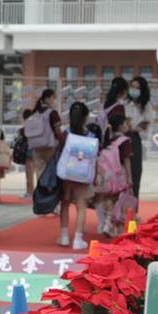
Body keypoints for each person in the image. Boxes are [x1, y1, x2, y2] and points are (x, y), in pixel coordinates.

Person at [93, 106, 134, 236]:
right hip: (119, 174)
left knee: (107, 198)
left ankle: (105, 223)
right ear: (121, 126)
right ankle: (111, 224)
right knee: (118, 200)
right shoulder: (125, 141)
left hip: (107, 175)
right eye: (126, 123)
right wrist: (130, 177)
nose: (128, 125)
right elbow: (127, 161)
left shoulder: (109, 140)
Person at [58, 102, 93, 250]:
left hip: (66, 174)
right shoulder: (91, 135)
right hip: (83, 174)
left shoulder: (66, 134)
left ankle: (64, 236)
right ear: (86, 117)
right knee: (81, 206)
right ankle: (78, 239)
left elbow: (59, 152)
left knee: (65, 203)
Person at [126, 75, 156, 200]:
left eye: (137, 88)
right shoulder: (124, 103)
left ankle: (133, 207)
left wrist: (136, 128)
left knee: (135, 173)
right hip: (121, 138)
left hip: (135, 139)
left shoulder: (146, 106)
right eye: (132, 87)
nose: (134, 90)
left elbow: (147, 124)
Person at [24, 88, 61, 184]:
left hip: (36, 148)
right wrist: (61, 141)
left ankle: (40, 195)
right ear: (47, 98)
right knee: (52, 172)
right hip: (50, 147)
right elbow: (58, 131)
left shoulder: (34, 113)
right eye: (54, 98)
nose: (55, 100)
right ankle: (50, 195)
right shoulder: (52, 113)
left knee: (39, 173)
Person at [16, 108, 34, 198]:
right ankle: (30, 191)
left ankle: (30, 192)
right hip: (35, 151)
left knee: (29, 173)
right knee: (32, 173)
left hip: (29, 151)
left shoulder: (28, 126)